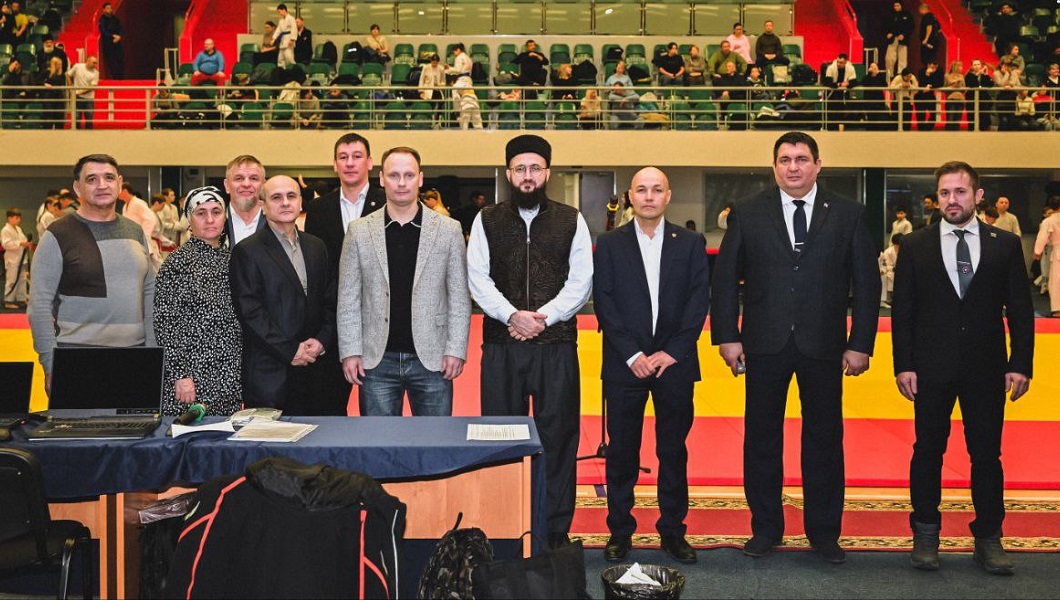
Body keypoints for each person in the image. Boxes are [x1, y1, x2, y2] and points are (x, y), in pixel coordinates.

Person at [711, 131, 881, 564]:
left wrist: (861, 342)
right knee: (761, 440)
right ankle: (765, 527)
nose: (793, 167)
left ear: (818, 165)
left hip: (825, 344)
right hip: (762, 343)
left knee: (824, 441)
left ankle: (824, 533)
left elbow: (867, 283)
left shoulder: (848, 213)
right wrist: (727, 335)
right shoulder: (749, 212)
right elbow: (725, 280)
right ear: (774, 166)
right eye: (785, 159)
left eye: (802, 159)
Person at [892, 161, 1034, 575]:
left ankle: (988, 537)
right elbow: (903, 311)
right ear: (936, 198)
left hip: (986, 367)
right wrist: (904, 364)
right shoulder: (915, 245)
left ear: (978, 195)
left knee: (986, 454)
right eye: (944, 193)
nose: (952, 200)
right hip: (929, 367)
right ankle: (925, 532)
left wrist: (1020, 363)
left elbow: (1021, 310)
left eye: (960, 192)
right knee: (927, 451)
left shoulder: (1005, 244)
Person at [467, 134, 593, 550]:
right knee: (500, 435)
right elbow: (477, 278)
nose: (527, 176)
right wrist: (511, 316)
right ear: (508, 174)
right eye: (520, 168)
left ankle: (555, 527)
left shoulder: (571, 219)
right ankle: (503, 522)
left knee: (559, 437)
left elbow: (581, 280)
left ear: (547, 172)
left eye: (535, 168)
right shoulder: (486, 220)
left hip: (556, 346)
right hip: (502, 346)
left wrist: (544, 318)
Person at [594, 167, 710, 564]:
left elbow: (698, 300)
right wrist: (632, 355)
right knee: (622, 452)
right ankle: (619, 530)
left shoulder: (690, 242)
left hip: (674, 363)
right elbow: (604, 301)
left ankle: (673, 531)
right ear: (630, 196)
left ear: (668, 195)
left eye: (656, 189)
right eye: (641, 190)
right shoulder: (610, 243)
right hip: (624, 363)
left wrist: (673, 352)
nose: (648, 196)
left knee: (673, 451)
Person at [338, 147, 470, 417]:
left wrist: (456, 349)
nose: (401, 183)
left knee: (435, 440)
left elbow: (459, 296)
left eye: (409, 175)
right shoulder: (359, 231)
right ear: (381, 179)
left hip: (433, 359)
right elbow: (348, 297)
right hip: (376, 360)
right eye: (394, 175)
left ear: (420, 179)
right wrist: (350, 351)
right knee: (379, 441)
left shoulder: (449, 230)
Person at [28, 154, 156, 394]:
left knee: (136, 420)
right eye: (92, 179)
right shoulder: (58, 234)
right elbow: (39, 306)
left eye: (109, 177)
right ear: (78, 188)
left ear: (119, 183)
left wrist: (152, 350)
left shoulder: (134, 231)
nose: (102, 185)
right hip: (76, 357)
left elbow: (149, 292)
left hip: (135, 355)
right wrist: (51, 365)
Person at [230, 175, 336, 415]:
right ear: (263, 205)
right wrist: (290, 350)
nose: (285, 203)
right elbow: (250, 313)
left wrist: (322, 340)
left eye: (291, 196)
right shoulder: (247, 251)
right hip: (270, 375)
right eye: (276, 198)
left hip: (315, 372)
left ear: (300, 202)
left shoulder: (317, 247)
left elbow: (330, 301)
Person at [153, 186, 242, 417]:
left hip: (228, 374)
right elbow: (166, 323)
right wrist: (180, 375)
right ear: (189, 220)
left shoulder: (231, 258)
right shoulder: (178, 263)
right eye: (201, 213)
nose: (210, 219)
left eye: (216, 212)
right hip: (193, 378)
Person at [305, 133, 385, 281]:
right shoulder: (317, 209)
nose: (349, 163)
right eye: (343, 157)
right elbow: (314, 264)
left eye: (357, 156)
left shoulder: (387, 205)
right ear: (335, 165)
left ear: (369, 163)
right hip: (332, 295)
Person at [222, 155, 268, 246]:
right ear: (227, 186)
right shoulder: (213, 224)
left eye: (253, 178)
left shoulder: (276, 223)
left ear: (263, 186)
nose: (246, 184)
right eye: (238, 178)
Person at [1034, 197, 1060, 317]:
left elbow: (1042, 237)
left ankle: (1058, 309)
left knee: (1056, 282)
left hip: (1057, 252)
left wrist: (1037, 252)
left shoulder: (1049, 221)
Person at [2, 208, 31, 310]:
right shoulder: (5, 230)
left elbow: (24, 240)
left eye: (19, 218)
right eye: (16, 218)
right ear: (9, 218)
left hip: (21, 258)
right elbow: (5, 244)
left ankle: (21, 299)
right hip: (12, 260)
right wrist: (20, 243)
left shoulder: (18, 229)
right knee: (12, 280)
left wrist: (27, 243)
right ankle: (8, 301)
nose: (18, 220)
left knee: (22, 279)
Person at [67, 56, 100, 130]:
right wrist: (71, 86)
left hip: (89, 98)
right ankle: (76, 133)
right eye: (94, 63)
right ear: (88, 61)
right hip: (77, 97)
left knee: (89, 118)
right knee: (77, 118)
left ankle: (89, 134)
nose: (95, 65)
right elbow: (68, 75)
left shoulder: (96, 73)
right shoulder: (77, 66)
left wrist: (79, 92)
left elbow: (92, 87)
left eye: (96, 63)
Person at [884, 1, 913, 80]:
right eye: (895, 6)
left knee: (902, 58)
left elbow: (910, 27)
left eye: (897, 5)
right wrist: (888, 33)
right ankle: (889, 75)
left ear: (901, 6)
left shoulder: (907, 15)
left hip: (903, 40)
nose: (896, 7)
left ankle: (901, 76)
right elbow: (886, 26)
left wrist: (904, 35)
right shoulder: (890, 15)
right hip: (892, 39)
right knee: (889, 58)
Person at [98, 2, 124, 78]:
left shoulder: (115, 18)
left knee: (120, 60)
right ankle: (115, 78)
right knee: (111, 61)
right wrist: (113, 36)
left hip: (117, 42)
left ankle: (120, 77)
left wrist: (119, 36)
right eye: (108, 8)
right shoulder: (102, 20)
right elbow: (104, 31)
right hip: (108, 43)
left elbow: (121, 27)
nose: (110, 10)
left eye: (110, 8)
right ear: (104, 10)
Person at [879, 233, 902, 308]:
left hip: (901, 271)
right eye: (897, 245)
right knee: (887, 276)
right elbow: (886, 265)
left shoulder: (905, 250)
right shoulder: (888, 251)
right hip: (890, 271)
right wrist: (893, 268)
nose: (898, 247)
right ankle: (886, 299)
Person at [943, 60, 966, 131]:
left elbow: (964, 89)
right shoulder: (947, 75)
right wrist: (953, 86)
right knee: (950, 118)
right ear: (955, 67)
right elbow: (944, 88)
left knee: (958, 119)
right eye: (960, 66)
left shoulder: (961, 76)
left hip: (960, 99)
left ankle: (956, 134)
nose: (961, 68)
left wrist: (960, 86)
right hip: (951, 99)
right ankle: (948, 134)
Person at [273, 3, 297, 68]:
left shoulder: (291, 18)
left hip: (289, 40)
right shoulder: (281, 20)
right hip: (283, 40)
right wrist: (274, 38)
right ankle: (281, 72)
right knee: (280, 59)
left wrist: (292, 39)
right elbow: (278, 30)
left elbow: (294, 29)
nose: (279, 13)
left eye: (279, 12)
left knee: (289, 57)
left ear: (284, 10)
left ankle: (293, 70)